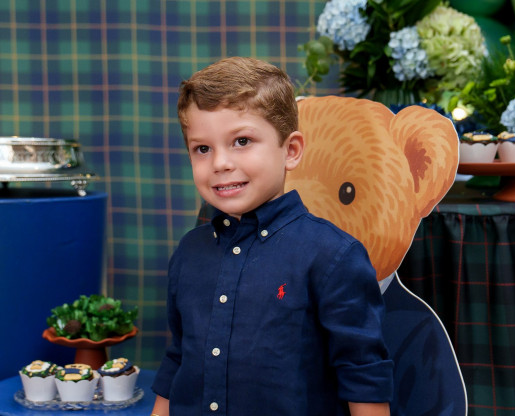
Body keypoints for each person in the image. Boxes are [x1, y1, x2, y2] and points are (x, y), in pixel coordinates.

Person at [150, 56, 393, 416]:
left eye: (242, 141)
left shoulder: (333, 255)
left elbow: (363, 375)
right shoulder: (189, 252)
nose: (220, 163)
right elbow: (177, 358)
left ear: (290, 151)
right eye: (203, 149)